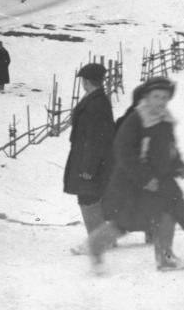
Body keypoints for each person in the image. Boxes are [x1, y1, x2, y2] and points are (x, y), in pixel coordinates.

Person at [86, 77, 184, 274]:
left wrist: (178, 165)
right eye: (156, 97)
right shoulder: (136, 120)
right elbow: (123, 151)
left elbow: (170, 149)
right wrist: (144, 178)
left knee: (168, 215)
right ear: (146, 97)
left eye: (164, 97)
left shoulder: (164, 119)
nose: (160, 101)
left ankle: (165, 259)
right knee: (124, 224)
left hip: (160, 180)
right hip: (134, 183)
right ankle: (95, 245)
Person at [63, 63, 115, 255]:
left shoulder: (96, 103)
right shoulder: (96, 99)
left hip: (91, 161)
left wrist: (89, 168)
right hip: (89, 158)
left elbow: (95, 140)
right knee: (89, 196)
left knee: (88, 197)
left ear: (86, 82)